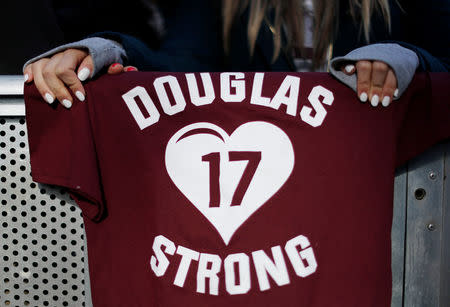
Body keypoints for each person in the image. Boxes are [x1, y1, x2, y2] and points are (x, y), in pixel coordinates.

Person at [23, 0, 449, 109]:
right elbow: (179, 66)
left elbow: (443, 54)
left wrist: (404, 58)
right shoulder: (221, 5)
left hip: (395, 188)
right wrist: (99, 51)